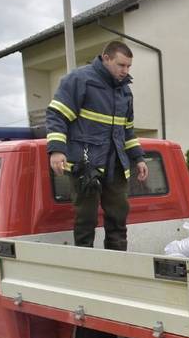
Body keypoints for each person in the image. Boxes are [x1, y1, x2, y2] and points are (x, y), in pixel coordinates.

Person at [46, 41, 148, 250]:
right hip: (86, 165)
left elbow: (127, 130)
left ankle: (117, 262)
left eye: (129, 66)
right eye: (121, 65)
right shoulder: (79, 80)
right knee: (86, 219)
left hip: (116, 164)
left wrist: (138, 158)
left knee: (119, 217)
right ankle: (86, 264)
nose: (125, 71)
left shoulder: (125, 91)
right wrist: (56, 150)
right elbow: (57, 115)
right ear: (106, 58)